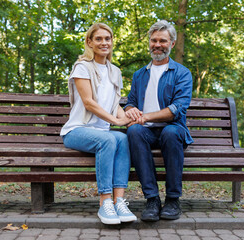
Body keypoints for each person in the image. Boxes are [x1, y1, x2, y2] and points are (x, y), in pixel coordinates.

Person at [60, 23, 137, 225]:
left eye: (108, 38)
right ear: (89, 42)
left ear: (112, 42)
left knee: (122, 138)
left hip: (102, 132)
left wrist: (130, 119)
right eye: (99, 39)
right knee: (108, 140)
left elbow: (115, 105)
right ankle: (105, 202)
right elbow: (89, 103)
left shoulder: (115, 71)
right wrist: (116, 121)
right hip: (77, 131)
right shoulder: (82, 68)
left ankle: (119, 201)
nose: (104, 42)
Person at [125, 20, 193, 221]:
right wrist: (131, 111)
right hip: (145, 131)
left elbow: (176, 109)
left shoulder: (182, 73)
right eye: (154, 40)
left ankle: (173, 199)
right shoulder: (139, 74)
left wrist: (145, 116)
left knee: (170, 133)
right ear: (149, 43)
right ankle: (152, 199)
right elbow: (130, 102)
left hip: (173, 128)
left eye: (162, 40)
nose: (157, 44)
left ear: (172, 43)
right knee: (134, 131)